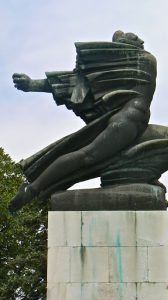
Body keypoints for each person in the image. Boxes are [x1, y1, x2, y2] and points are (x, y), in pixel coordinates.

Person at [9, 30, 160, 212]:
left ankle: (139, 173)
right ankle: (32, 189)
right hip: (128, 121)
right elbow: (78, 82)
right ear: (123, 46)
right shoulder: (144, 59)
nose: (142, 40)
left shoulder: (136, 65)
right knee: (87, 156)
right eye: (135, 38)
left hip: (134, 122)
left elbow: (80, 81)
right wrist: (33, 85)